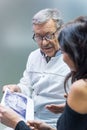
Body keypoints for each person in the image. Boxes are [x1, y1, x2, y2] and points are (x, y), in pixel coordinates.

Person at [1, 15, 87, 130]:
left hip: (53, 121)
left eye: (49, 35)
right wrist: (18, 88)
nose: (44, 43)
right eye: (38, 37)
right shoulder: (33, 56)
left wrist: (17, 123)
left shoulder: (80, 85)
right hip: (35, 119)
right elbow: (27, 85)